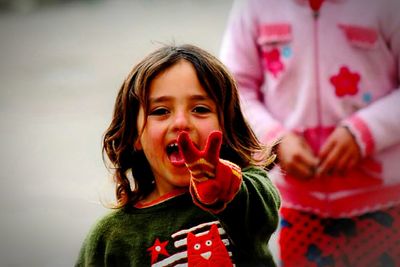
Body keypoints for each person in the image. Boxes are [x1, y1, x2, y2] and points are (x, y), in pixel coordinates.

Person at [220, 0, 400, 266]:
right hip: (298, 209)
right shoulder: (254, 6)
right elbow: (233, 88)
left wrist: (366, 131)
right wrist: (275, 139)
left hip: (385, 204)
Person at [75, 44, 281, 267]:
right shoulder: (110, 237)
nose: (181, 122)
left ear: (226, 127)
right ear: (134, 135)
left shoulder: (246, 197)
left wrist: (225, 186)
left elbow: (263, 208)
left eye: (200, 109)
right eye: (161, 111)